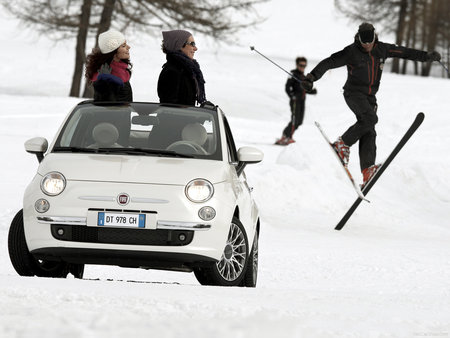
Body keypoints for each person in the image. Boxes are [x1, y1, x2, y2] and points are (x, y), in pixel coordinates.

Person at [301, 22, 441, 186]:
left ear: (374, 37)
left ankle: (367, 170)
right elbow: (329, 62)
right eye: (364, 42)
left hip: (369, 97)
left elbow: (405, 52)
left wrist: (426, 56)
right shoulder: (351, 52)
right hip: (353, 93)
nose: (367, 46)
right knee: (369, 119)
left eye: (370, 42)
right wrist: (311, 77)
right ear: (359, 39)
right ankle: (342, 144)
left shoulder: (383, 49)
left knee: (369, 128)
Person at [275, 57, 317, 145]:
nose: (303, 67)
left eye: (304, 65)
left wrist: (312, 91)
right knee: (295, 120)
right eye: (301, 65)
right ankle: (286, 136)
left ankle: (288, 136)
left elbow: (304, 89)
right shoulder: (292, 74)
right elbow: (287, 87)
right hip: (295, 101)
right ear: (297, 65)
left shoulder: (304, 77)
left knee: (299, 121)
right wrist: (292, 96)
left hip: (302, 101)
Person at [157, 30, 206, 106]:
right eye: (192, 44)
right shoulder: (172, 72)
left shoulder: (187, 70)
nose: (195, 48)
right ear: (179, 45)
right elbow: (169, 108)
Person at [85, 29, 133, 102]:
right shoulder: (105, 76)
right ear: (113, 51)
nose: (129, 47)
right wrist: (104, 82)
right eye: (123, 46)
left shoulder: (122, 72)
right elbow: (105, 106)